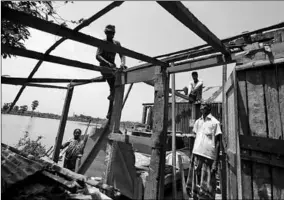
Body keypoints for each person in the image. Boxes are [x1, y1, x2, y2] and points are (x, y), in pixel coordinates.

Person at [186, 102, 222, 200]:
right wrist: (191, 154)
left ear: (209, 109)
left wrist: (215, 161)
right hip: (196, 154)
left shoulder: (215, 123)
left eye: (204, 107)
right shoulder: (198, 122)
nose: (202, 108)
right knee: (196, 181)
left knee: (208, 184)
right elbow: (194, 137)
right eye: (201, 107)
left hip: (208, 156)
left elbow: (218, 142)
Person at [96, 24, 126, 119]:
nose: (111, 35)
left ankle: (110, 111)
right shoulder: (102, 43)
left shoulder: (116, 43)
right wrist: (108, 63)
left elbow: (122, 54)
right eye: (109, 33)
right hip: (105, 67)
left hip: (113, 68)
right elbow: (98, 56)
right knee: (113, 86)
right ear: (106, 33)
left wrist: (122, 63)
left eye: (112, 33)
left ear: (114, 34)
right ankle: (110, 108)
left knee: (115, 88)